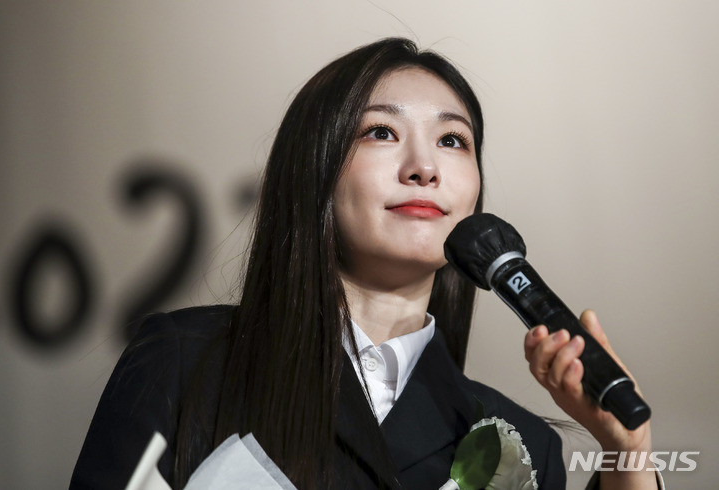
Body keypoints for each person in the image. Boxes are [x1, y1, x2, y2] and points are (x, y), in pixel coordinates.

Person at [70, 38, 658, 489]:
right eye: (381, 131)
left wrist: (627, 449)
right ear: (316, 171)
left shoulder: (521, 448)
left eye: (452, 140)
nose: (424, 166)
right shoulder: (186, 361)